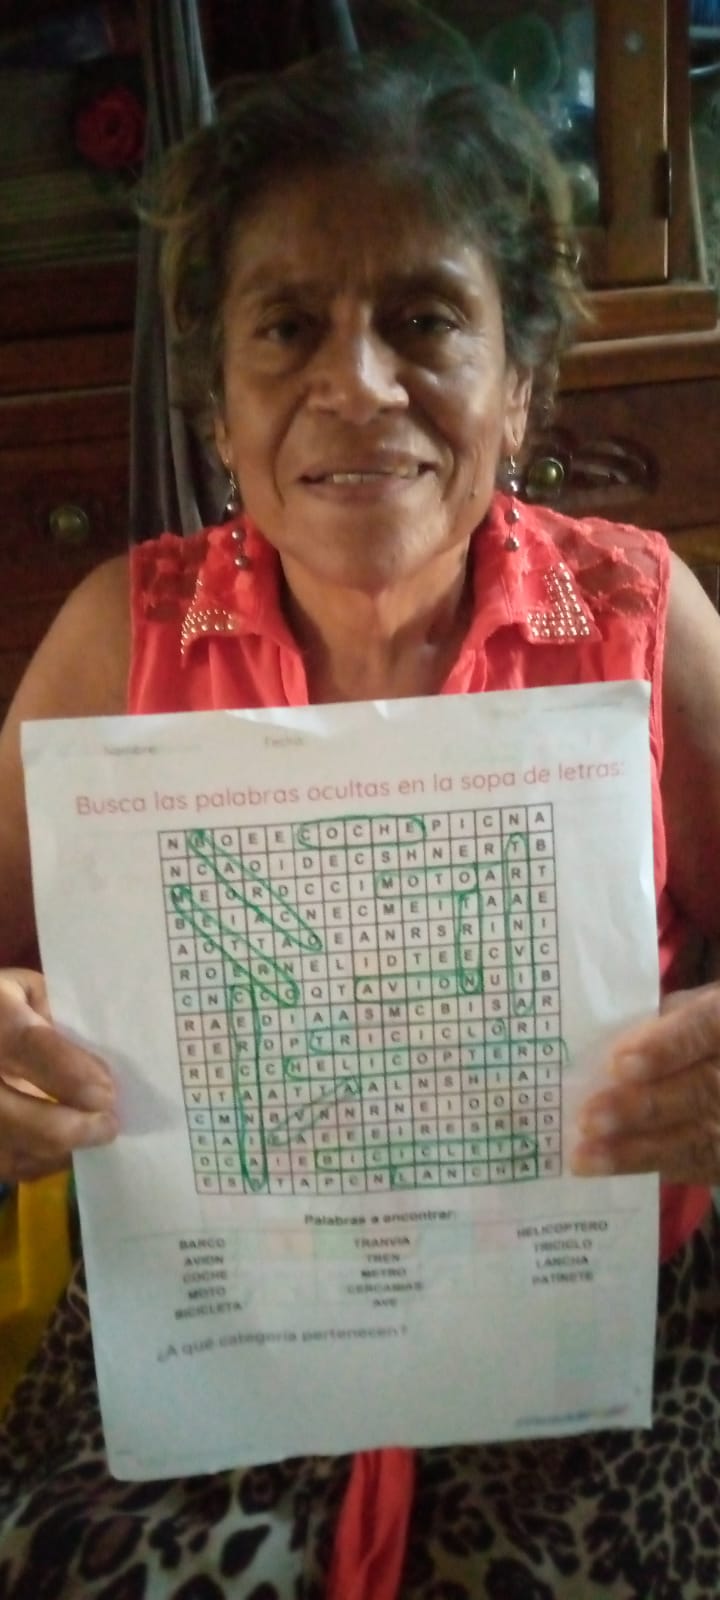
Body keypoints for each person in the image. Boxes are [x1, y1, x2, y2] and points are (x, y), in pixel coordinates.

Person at [1, 44, 720, 1600]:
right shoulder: (116, 641)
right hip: (209, 1334)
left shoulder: (645, 622)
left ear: (519, 383)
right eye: (287, 327)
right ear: (218, 405)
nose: (361, 385)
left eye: (425, 319)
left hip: (593, 1332)